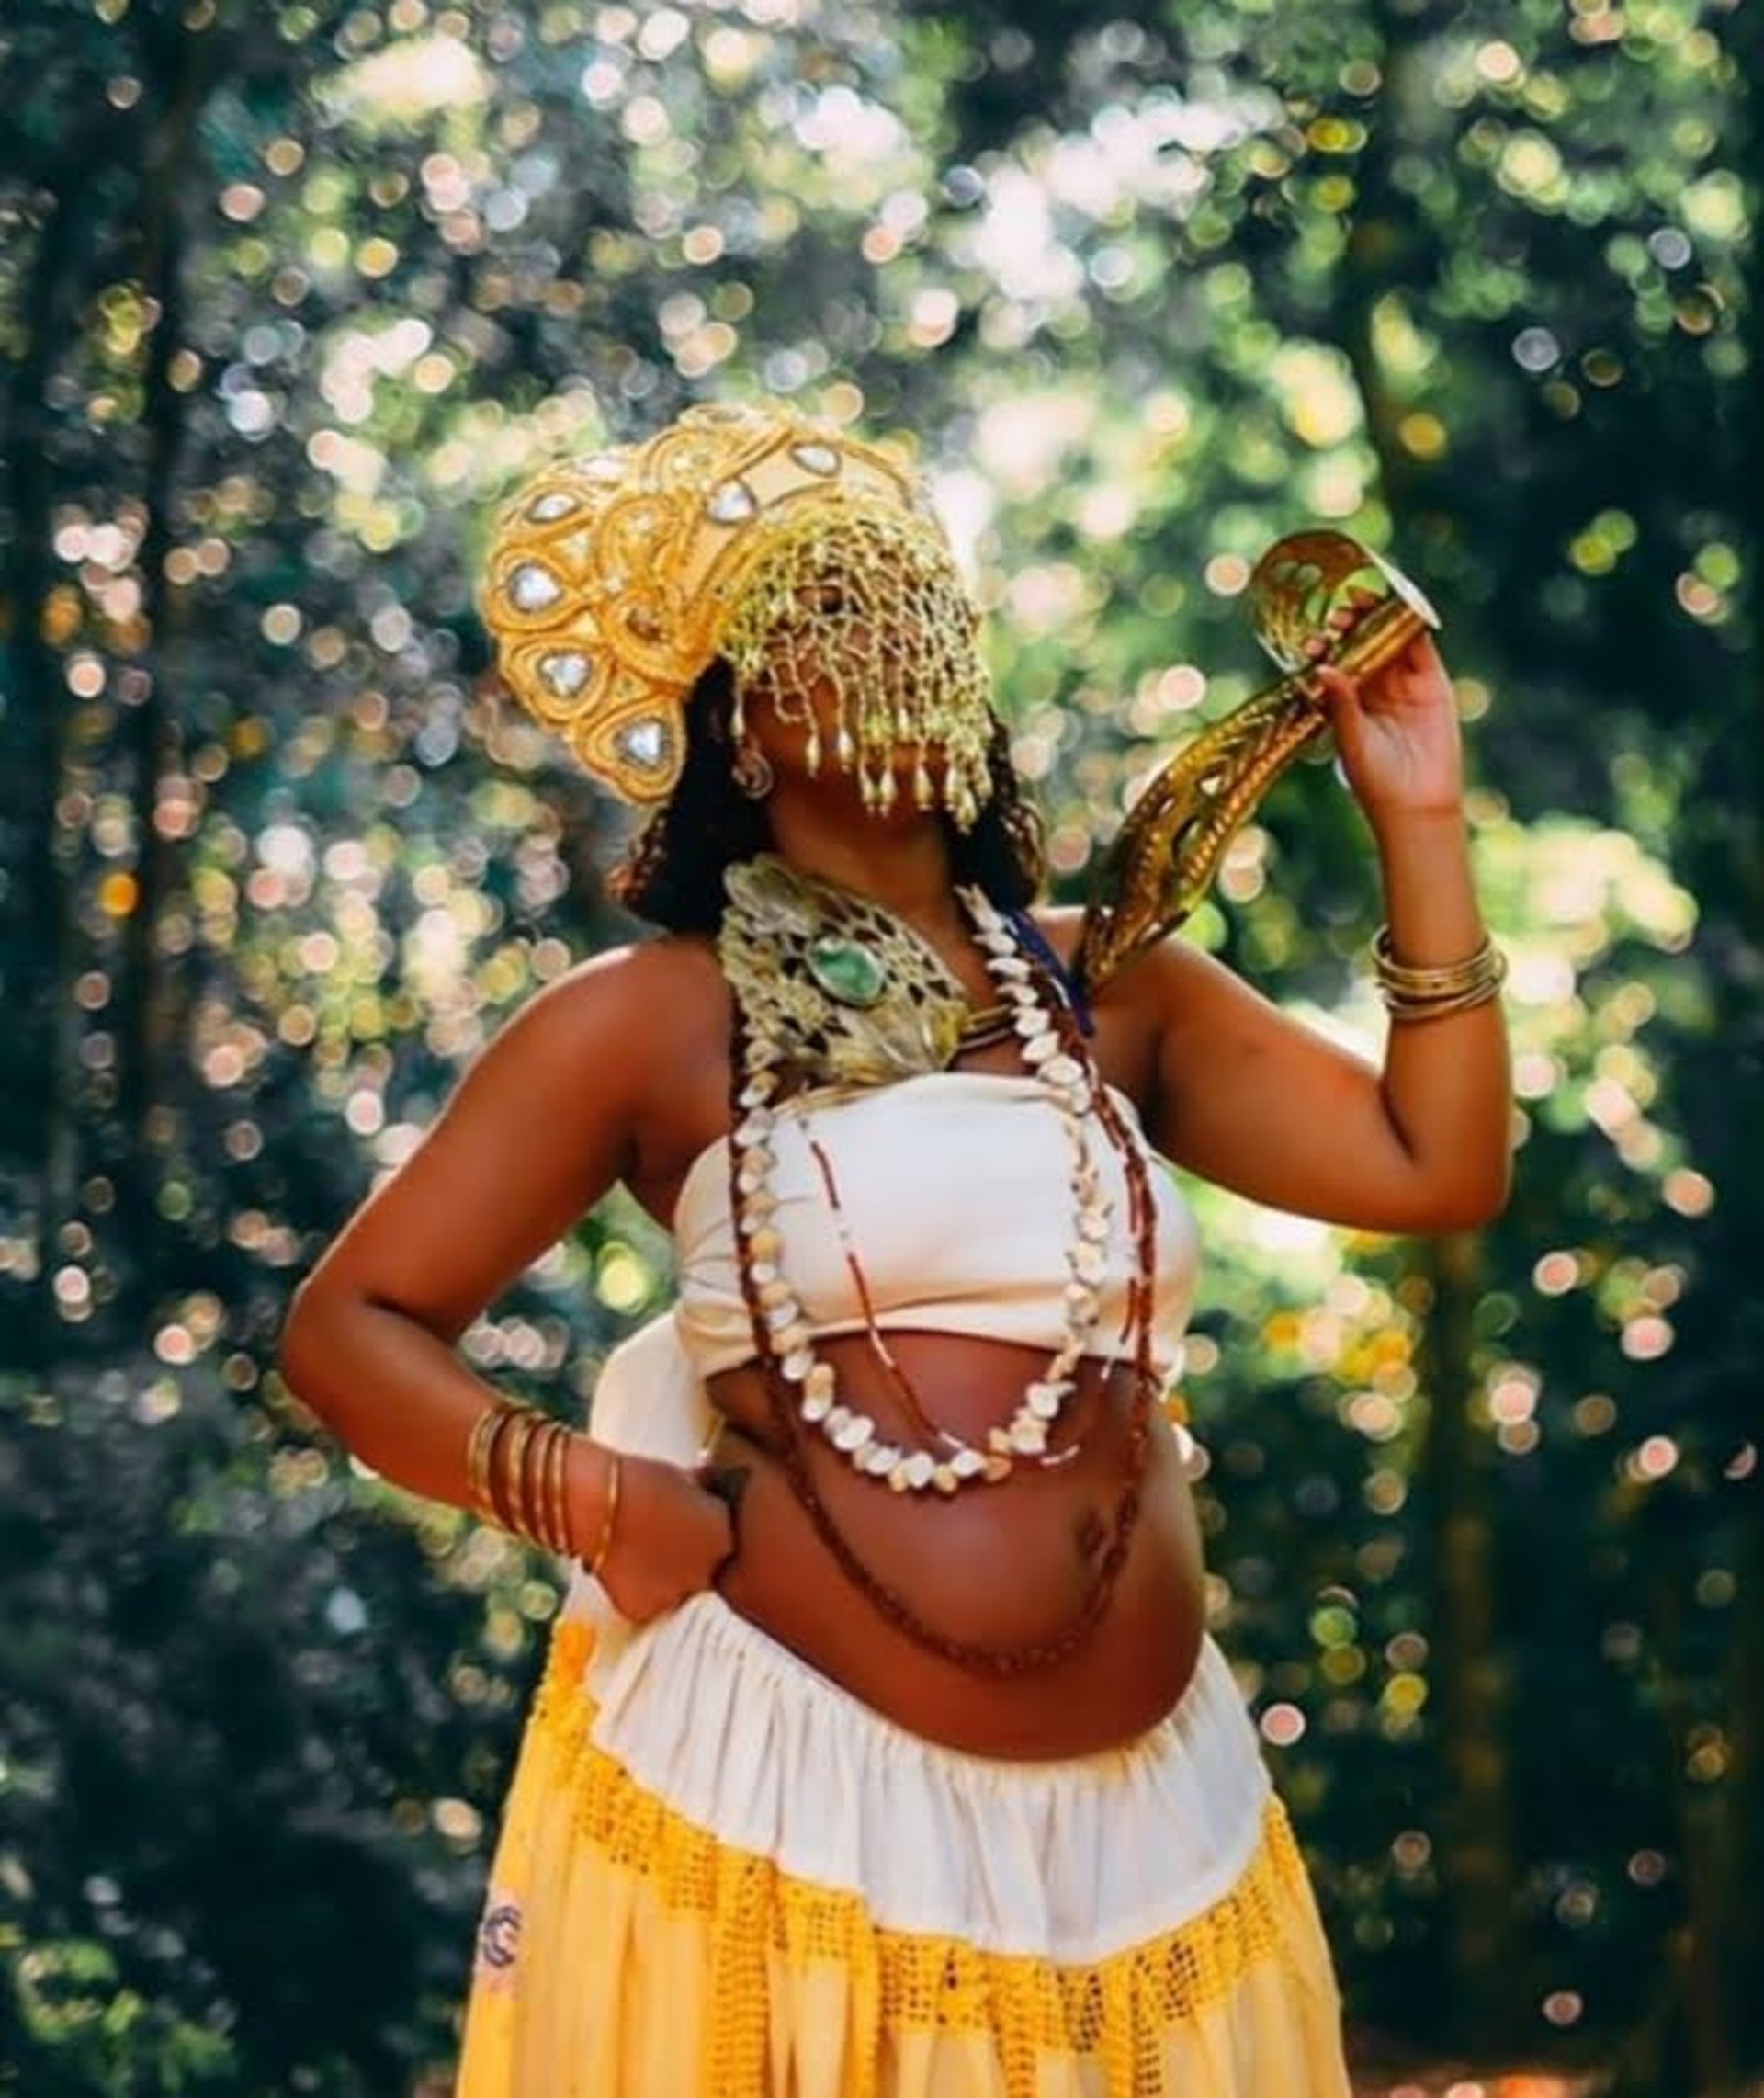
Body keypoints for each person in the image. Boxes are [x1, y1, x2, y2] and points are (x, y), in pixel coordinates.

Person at [278, 401, 1511, 2095]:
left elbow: (1433, 1162)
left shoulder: (1112, 989)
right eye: (827, 617)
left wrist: (1419, 820)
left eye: (913, 604)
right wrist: (594, 1497)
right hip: (787, 1811)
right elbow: (351, 1328)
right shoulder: (647, 1019)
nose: (887, 640)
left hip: (1158, 1841)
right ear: (742, 732)